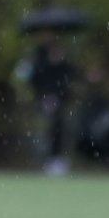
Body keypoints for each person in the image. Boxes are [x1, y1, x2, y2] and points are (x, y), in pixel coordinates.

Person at [27, 30, 76, 176]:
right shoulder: (38, 54)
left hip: (60, 96)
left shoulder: (61, 52)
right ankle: (48, 158)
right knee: (48, 128)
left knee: (59, 126)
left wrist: (60, 62)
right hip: (44, 96)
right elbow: (34, 77)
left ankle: (56, 158)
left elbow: (68, 75)